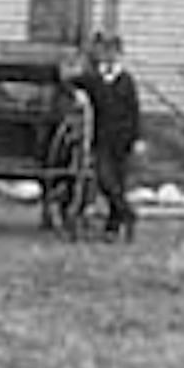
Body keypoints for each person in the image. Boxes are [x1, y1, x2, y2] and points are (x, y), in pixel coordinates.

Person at [68, 31, 142, 243]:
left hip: (123, 139)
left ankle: (113, 225)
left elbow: (134, 111)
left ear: (120, 54)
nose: (109, 56)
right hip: (101, 138)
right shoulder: (93, 79)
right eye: (105, 52)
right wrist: (77, 94)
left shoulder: (126, 81)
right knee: (105, 180)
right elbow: (69, 81)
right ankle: (128, 213)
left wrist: (137, 138)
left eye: (113, 52)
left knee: (118, 181)